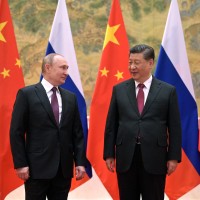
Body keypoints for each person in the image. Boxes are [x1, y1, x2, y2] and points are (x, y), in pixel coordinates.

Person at [103, 44, 182, 200]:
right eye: (130, 62)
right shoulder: (119, 89)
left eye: (137, 63)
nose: (132, 67)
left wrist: (173, 157)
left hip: (155, 156)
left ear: (150, 63)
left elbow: (175, 127)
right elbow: (111, 124)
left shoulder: (167, 91)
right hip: (126, 156)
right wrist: (109, 154)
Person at [10, 53, 86, 200]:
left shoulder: (70, 97)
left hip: (63, 169)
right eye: (63, 68)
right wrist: (20, 163)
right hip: (35, 169)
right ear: (48, 67)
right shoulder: (27, 94)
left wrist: (80, 162)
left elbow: (77, 133)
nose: (66, 72)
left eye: (67, 68)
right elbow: (16, 132)